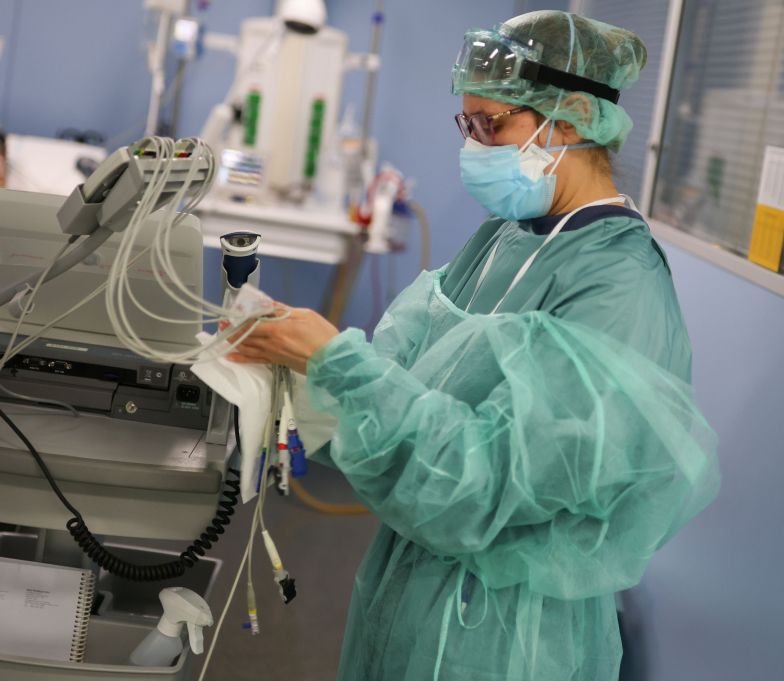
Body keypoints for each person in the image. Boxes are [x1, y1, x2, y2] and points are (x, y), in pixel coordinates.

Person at [228, 11, 719, 681]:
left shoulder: (616, 283)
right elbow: (408, 380)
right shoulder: (506, 234)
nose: (476, 146)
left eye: (494, 125)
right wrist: (299, 362)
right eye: (469, 124)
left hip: (502, 629)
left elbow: (485, 486)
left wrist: (336, 361)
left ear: (572, 119)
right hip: (415, 581)